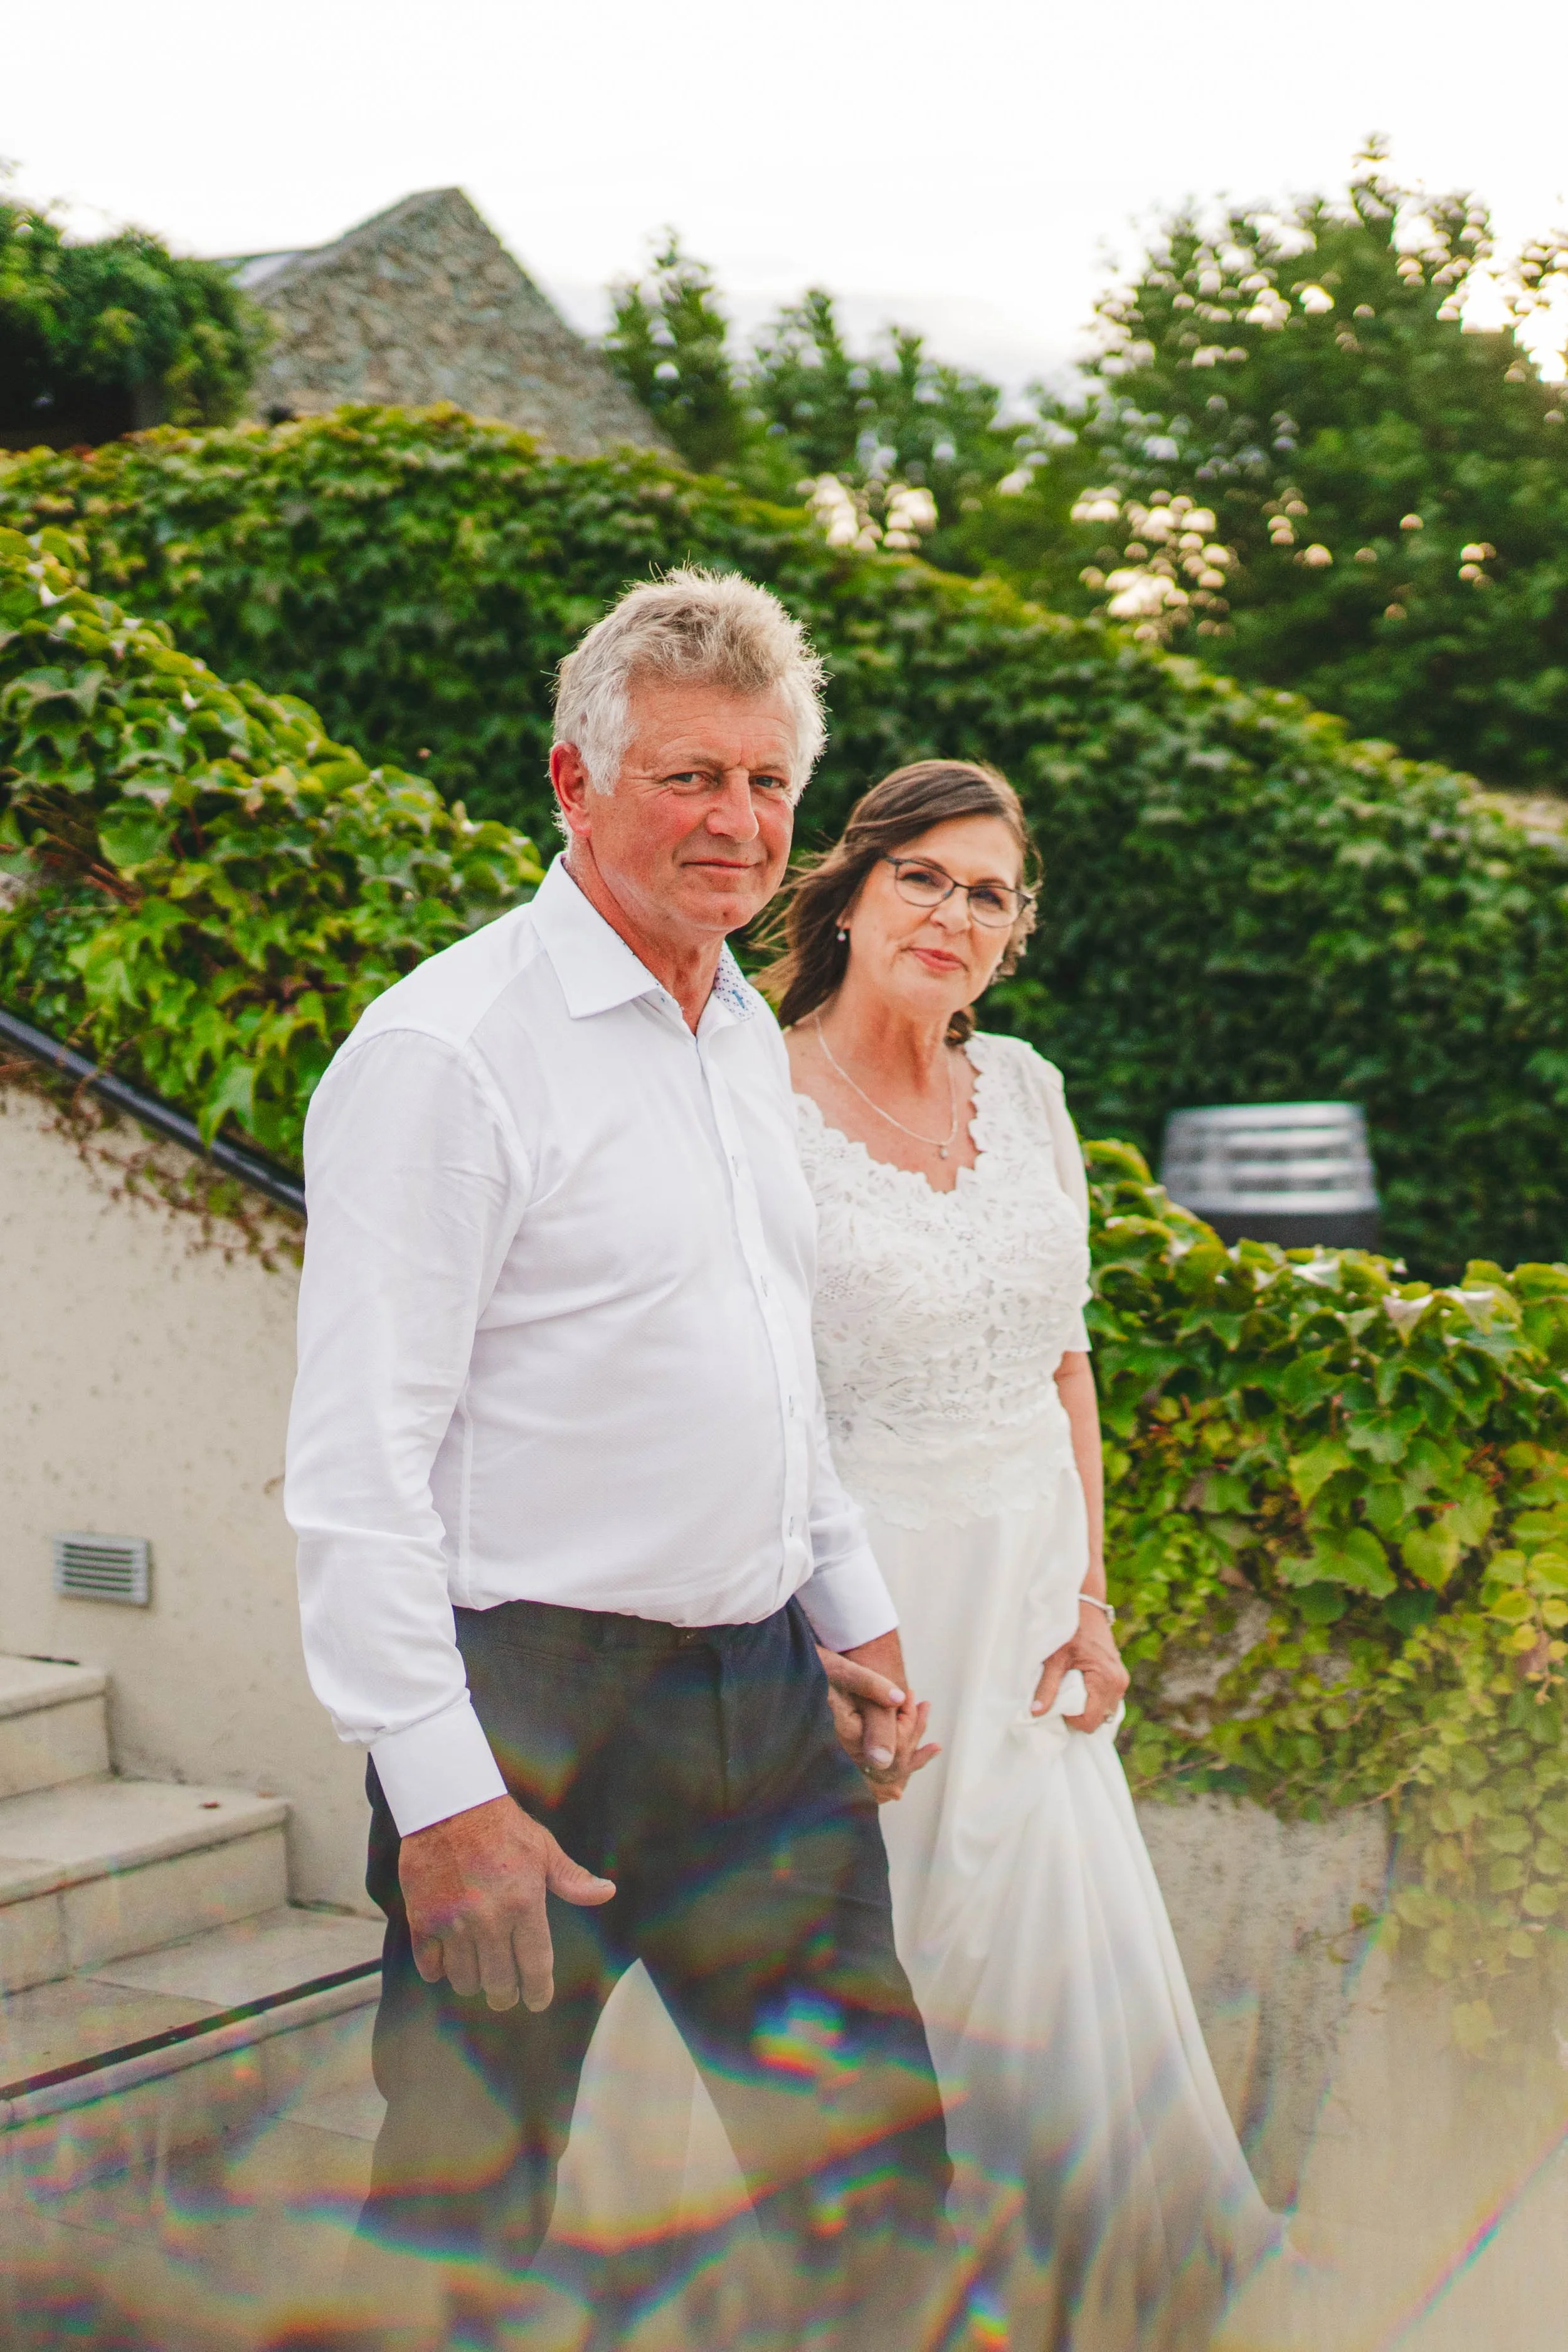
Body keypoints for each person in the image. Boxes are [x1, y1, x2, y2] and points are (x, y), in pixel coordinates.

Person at [282, 575, 952, 2349]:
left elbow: (765, 1362)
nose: (733, 822)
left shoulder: (738, 1026)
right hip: (530, 1721)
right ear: (570, 782)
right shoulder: (444, 1053)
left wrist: (854, 1615)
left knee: (876, 2196)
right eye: (685, 778)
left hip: (764, 1709)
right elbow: (355, 1470)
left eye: (762, 782)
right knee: (465, 2221)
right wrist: (441, 1795)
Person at [768, 759, 1281, 2349]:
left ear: (1015, 933)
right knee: (911, 1957)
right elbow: (742, 1397)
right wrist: (804, 1637)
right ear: (848, 894)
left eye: (986, 893)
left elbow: (1063, 1359)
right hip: (870, 1603)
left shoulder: (1032, 1094)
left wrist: (1095, 1601)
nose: (951, 913)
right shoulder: (747, 1097)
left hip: (1034, 1623)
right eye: (921, 876)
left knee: (1060, 1968)